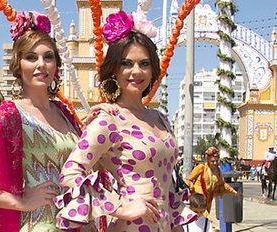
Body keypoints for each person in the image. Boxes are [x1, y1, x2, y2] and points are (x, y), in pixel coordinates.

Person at [0, 11, 109, 231]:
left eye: (48, 57)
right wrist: (20, 201)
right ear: (18, 65)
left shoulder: (65, 113)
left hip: (80, 224)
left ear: (56, 65)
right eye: (31, 57)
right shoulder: (10, 116)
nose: (41, 64)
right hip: (40, 224)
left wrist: (94, 132)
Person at [56, 11, 198, 231]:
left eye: (144, 63)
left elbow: (167, 185)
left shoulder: (160, 118)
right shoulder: (109, 119)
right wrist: (120, 208)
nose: (136, 71)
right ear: (114, 69)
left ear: (153, 70)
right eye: (127, 63)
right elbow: (71, 172)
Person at [185, 147, 241, 231]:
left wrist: (233, 192)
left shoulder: (217, 171)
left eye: (216, 161)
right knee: (208, 220)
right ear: (207, 160)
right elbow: (188, 180)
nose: (215, 163)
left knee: (203, 222)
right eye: (212, 161)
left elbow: (222, 184)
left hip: (208, 200)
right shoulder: (201, 167)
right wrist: (191, 188)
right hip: (198, 199)